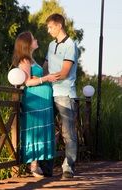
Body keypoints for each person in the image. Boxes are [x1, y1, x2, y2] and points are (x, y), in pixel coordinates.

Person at [12, 31, 58, 177]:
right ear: (27, 44)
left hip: (42, 101)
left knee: (41, 129)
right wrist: (46, 79)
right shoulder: (25, 60)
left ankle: (37, 164)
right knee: (35, 129)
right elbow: (26, 82)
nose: (36, 40)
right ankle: (33, 166)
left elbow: (32, 78)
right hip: (35, 100)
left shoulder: (31, 59)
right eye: (33, 39)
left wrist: (42, 77)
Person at [44, 13, 78, 179]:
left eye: (50, 27)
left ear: (59, 26)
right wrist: (40, 80)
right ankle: (47, 168)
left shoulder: (71, 45)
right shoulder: (51, 45)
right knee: (48, 130)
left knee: (68, 133)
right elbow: (45, 66)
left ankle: (68, 167)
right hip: (49, 93)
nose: (49, 30)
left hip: (65, 94)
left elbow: (64, 72)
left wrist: (47, 78)